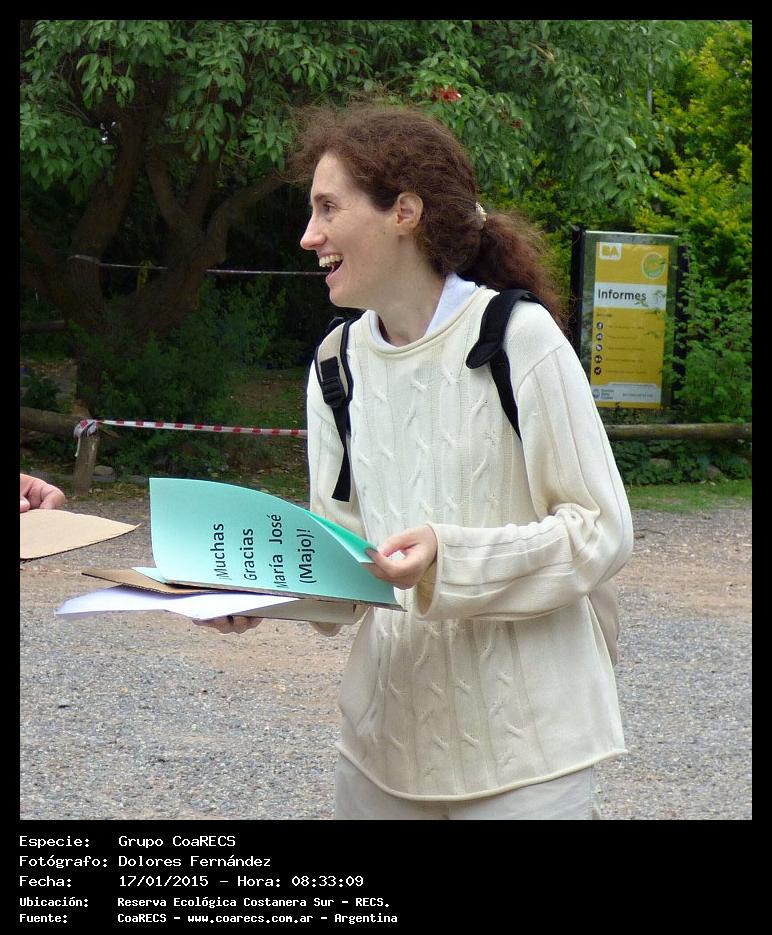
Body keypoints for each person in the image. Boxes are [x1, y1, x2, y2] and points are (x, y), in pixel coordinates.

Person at [210, 103, 634, 820]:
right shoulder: (335, 364)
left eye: (328, 208)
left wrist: (448, 555)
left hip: (530, 760)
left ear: (403, 212)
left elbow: (601, 531)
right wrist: (255, 595)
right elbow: (350, 569)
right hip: (382, 758)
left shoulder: (518, 338)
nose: (308, 235)